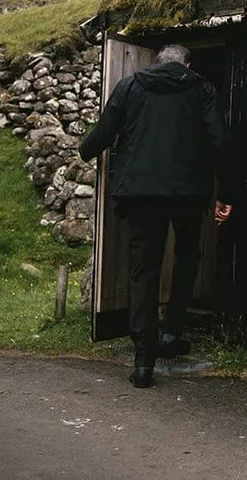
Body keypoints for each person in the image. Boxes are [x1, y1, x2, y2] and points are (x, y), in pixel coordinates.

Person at [79, 43, 232, 388]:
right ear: (188, 64)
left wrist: (86, 150)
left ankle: (144, 359)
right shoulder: (202, 89)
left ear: (157, 62)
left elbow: (105, 130)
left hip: (141, 192)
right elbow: (219, 141)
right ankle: (171, 332)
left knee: (143, 270)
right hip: (189, 192)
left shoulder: (130, 86)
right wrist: (227, 193)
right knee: (187, 256)